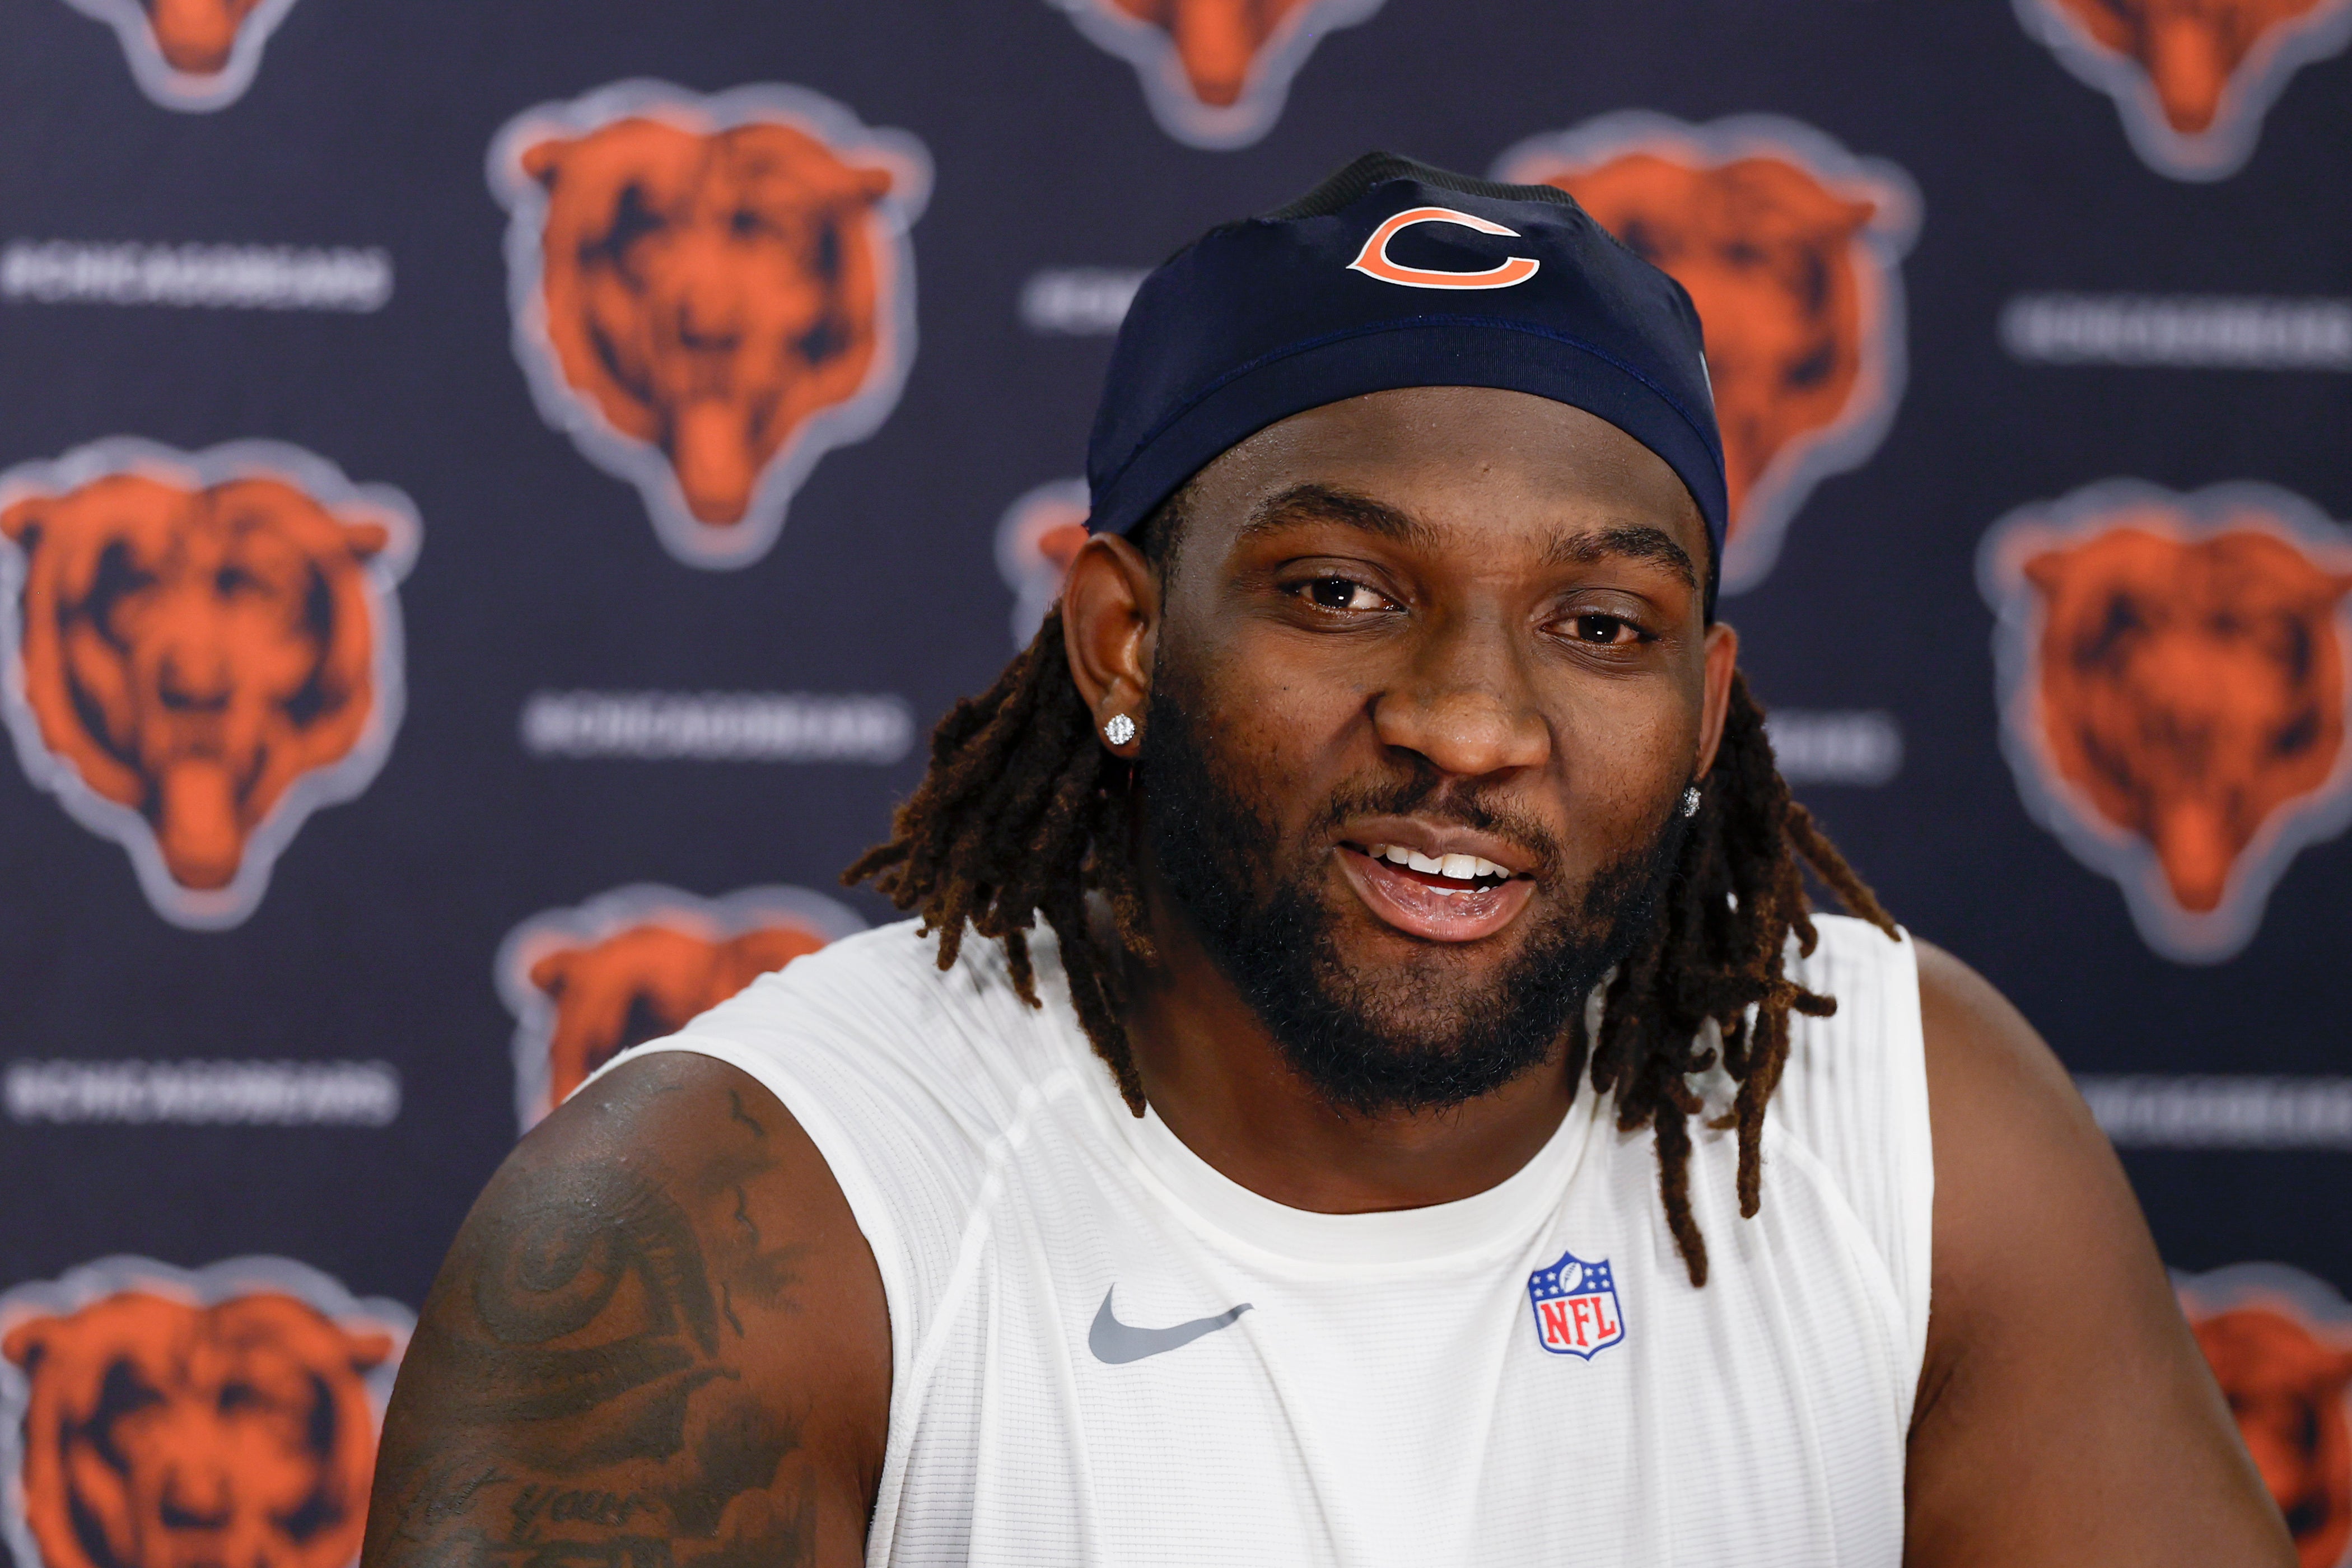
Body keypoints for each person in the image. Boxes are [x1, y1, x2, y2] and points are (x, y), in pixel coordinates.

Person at [361, 155, 2290, 1567]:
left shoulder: (1903, 1131)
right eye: (1343, 592)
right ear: (1126, 641)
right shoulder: (732, 1221)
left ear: (1706, 714)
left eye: (1598, 626)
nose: (1472, 721)